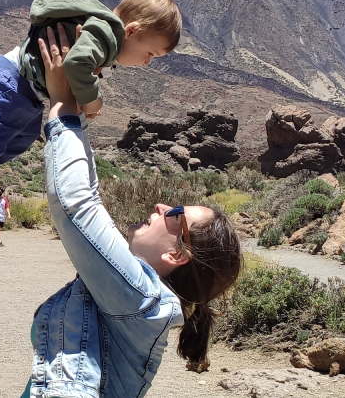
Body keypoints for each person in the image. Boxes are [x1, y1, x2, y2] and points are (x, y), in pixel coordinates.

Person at [24, 25, 243, 398]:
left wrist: (61, 102)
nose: (159, 206)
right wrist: (77, 103)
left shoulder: (143, 300)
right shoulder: (135, 295)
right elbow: (89, 197)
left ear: (177, 253)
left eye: (174, 214)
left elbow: (77, 204)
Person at [0, 0, 181, 219]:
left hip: (26, 93)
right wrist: (91, 100)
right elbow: (76, 63)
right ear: (132, 31)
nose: (147, 62)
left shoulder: (106, 41)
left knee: (22, 138)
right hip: (10, 82)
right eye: (150, 54)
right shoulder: (104, 34)